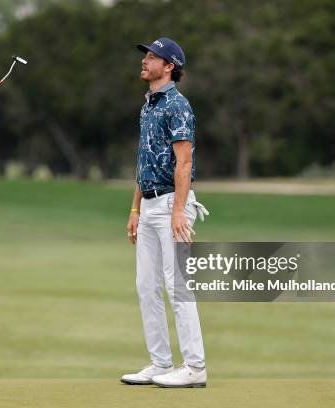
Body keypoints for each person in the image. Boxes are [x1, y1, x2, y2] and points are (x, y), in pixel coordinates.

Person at [120, 37, 209, 388]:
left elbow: (184, 162)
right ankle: (160, 362)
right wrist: (134, 207)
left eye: (153, 57)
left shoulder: (178, 105)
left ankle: (195, 367)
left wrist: (178, 212)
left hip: (174, 202)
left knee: (178, 287)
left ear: (169, 66)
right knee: (146, 286)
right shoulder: (148, 105)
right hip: (149, 205)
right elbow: (145, 159)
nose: (145, 61)